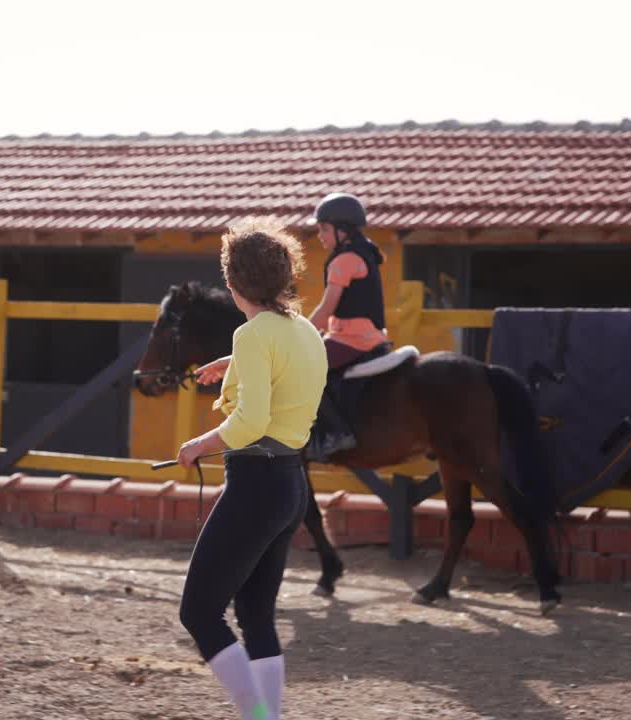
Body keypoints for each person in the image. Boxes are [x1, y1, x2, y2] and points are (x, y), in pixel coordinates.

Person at [175, 218, 326, 720]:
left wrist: (198, 443)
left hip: (254, 486)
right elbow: (280, 365)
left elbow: (250, 422)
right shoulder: (303, 330)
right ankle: (270, 718)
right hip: (290, 486)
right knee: (256, 615)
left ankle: (257, 718)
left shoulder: (252, 335)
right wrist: (234, 361)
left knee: (199, 612)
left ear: (232, 281)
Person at [303, 192, 390, 461]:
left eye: (325, 229)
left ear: (343, 231)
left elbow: (327, 307)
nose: (321, 236)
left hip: (353, 339)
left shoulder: (343, 260)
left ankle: (337, 433)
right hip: (367, 335)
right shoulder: (365, 251)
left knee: (305, 369)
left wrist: (299, 333)